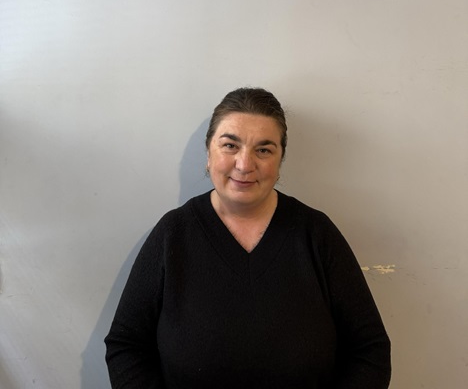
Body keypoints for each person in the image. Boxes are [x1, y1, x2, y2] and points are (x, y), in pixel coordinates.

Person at [104, 87, 391, 388]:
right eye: (230, 145)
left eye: (264, 150)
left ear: (280, 160)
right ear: (209, 153)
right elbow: (126, 345)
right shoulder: (172, 234)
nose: (244, 164)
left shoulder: (317, 235)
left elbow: (369, 349)